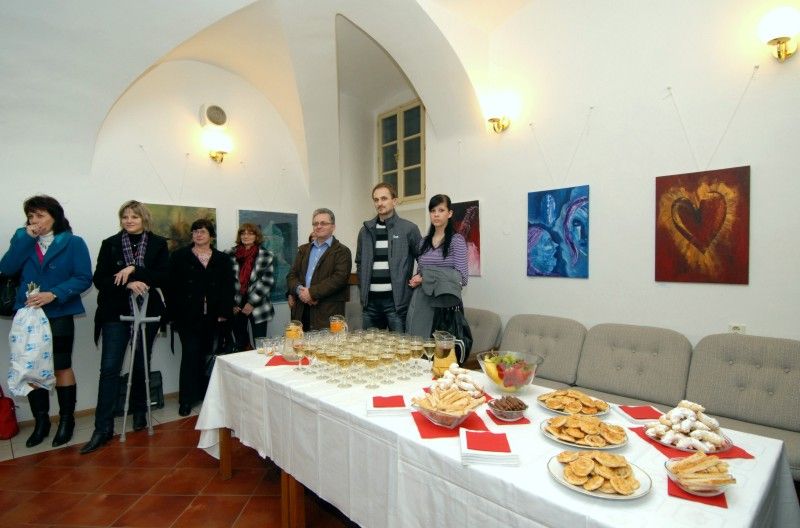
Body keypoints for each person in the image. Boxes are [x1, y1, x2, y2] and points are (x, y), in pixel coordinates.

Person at [0, 195, 92, 448]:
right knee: (31, 367)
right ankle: (41, 422)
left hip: (58, 312)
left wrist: (54, 294)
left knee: (61, 366)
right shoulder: (22, 238)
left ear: (55, 216)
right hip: (28, 314)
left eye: (40, 215)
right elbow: (7, 268)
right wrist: (26, 239)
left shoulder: (73, 242)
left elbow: (84, 277)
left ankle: (66, 421)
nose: (35, 220)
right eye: (31, 216)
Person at [80, 201, 169, 454]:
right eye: (125, 216)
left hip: (147, 312)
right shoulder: (110, 243)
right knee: (110, 369)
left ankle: (139, 412)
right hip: (115, 312)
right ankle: (102, 428)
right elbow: (100, 279)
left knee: (141, 364)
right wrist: (127, 283)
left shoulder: (158, 244)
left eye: (134, 216)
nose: (129, 220)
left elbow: (164, 276)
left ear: (144, 219)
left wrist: (134, 269)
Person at [167, 219, 234, 416]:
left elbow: (228, 287)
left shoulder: (222, 258)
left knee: (206, 355)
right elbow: (171, 287)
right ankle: (186, 400)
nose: (198, 234)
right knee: (190, 355)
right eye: (195, 231)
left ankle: (204, 395)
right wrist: (173, 314)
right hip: (187, 316)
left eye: (202, 231)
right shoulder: (179, 256)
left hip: (213, 316)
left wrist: (224, 313)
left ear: (211, 235)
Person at [356, 183, 421, 331]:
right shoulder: (365, 231)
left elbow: (423, 257)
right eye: (376, 200)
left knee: (399, 345)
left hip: (396, 304)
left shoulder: (409, 229)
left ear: (394, 201)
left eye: (384, 198)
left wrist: (419, 276)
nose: (380, 203)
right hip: (370, 304)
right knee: (369, 345)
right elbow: (359, 262)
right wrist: (363, 287)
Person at [406, 194, 469, 338]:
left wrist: (426, 278)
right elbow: (421, 272)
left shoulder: (457, 241)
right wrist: (417, 278)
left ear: (449, 213)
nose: (436, 214)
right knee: (419, 345)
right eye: (433, 211)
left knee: (442, 349)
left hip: (446, 303)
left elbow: (462, 278)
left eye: (441, 210)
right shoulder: (423, 242)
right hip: (422, 301)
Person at [286, 208, 352, 330]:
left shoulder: (342, 251)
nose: (319, 226)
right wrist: (301, 291)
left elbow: (339, 279)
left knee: (327, 342)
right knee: (300, 341)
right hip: (301, 310)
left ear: (333, 227)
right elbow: (291, 275)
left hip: (327, 312)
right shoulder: (303, 250)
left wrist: (311, 293)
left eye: (323, 223)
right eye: (315, 223)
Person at [227, 223, 275, 350]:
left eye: (250, 233)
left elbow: (267, 281)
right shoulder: (229, 254)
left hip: (258, 304)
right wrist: (231, 303)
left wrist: (251, 303)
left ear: (256, 236)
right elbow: (225, 281)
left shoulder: (266, 255)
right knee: (240, 344)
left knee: (260, 346)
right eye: (243, 233)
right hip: (236, 306)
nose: (246, 236)